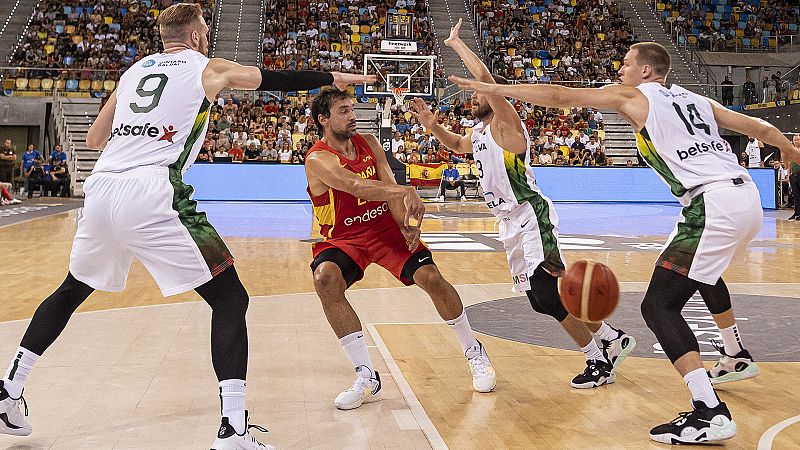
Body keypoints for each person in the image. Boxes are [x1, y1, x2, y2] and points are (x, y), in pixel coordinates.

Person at [0, 4, 373, 449]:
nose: (207, 38)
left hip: (102, 188)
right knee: (230, 298)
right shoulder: (207, 67)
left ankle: (9, 388)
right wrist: (330, 77)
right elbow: (271, 79)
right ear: (195, 35)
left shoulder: (134, 71)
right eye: (206, 31)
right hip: (153, 189)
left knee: (72, 288)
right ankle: (233, 430)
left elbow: (95, 139)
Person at [451, 41, 800, 445]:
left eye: (627, 63)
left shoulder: (635, 96)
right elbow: (759, 128)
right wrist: (788, 148)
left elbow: (561, 96)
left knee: (658, 306)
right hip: (746, 200)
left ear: (647, 71)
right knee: (699, 274)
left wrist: (497, 88)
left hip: (712, 203)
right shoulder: (697, 100)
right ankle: (734, 355)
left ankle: (709, 411)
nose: (621, 69)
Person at [413, 19, 637, 391]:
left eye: (479, 94)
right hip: (509, 223)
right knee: (539, 300)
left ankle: (598, 360)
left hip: (531, 217)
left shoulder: (507, 127)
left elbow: (484, 79)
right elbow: (456, 146)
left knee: (546, 293)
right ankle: (611, 337)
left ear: (494, 95)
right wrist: (431, 125)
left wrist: (456, 44)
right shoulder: (479, 133)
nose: (473, 98)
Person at [305, 88, 497, 411]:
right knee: (325, 279)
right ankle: (366, 375)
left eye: (352, 109)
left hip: (385, 230)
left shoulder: (369, 142)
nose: (352, 116)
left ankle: (474, 351)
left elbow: (388, 184)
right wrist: (405, 191)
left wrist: (405, 223)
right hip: (345, 237)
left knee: (431, 278)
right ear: (324, 120)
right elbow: (353, 185)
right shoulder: (317, 158)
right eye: (343, 111)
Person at [789, 134, 800, 221]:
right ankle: (796, 213)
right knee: (796, 196)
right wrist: (789, 174)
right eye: (795, 140)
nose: (796, 141)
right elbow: (789, 163)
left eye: (798, 140)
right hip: (793, 175)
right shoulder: (791, 151)